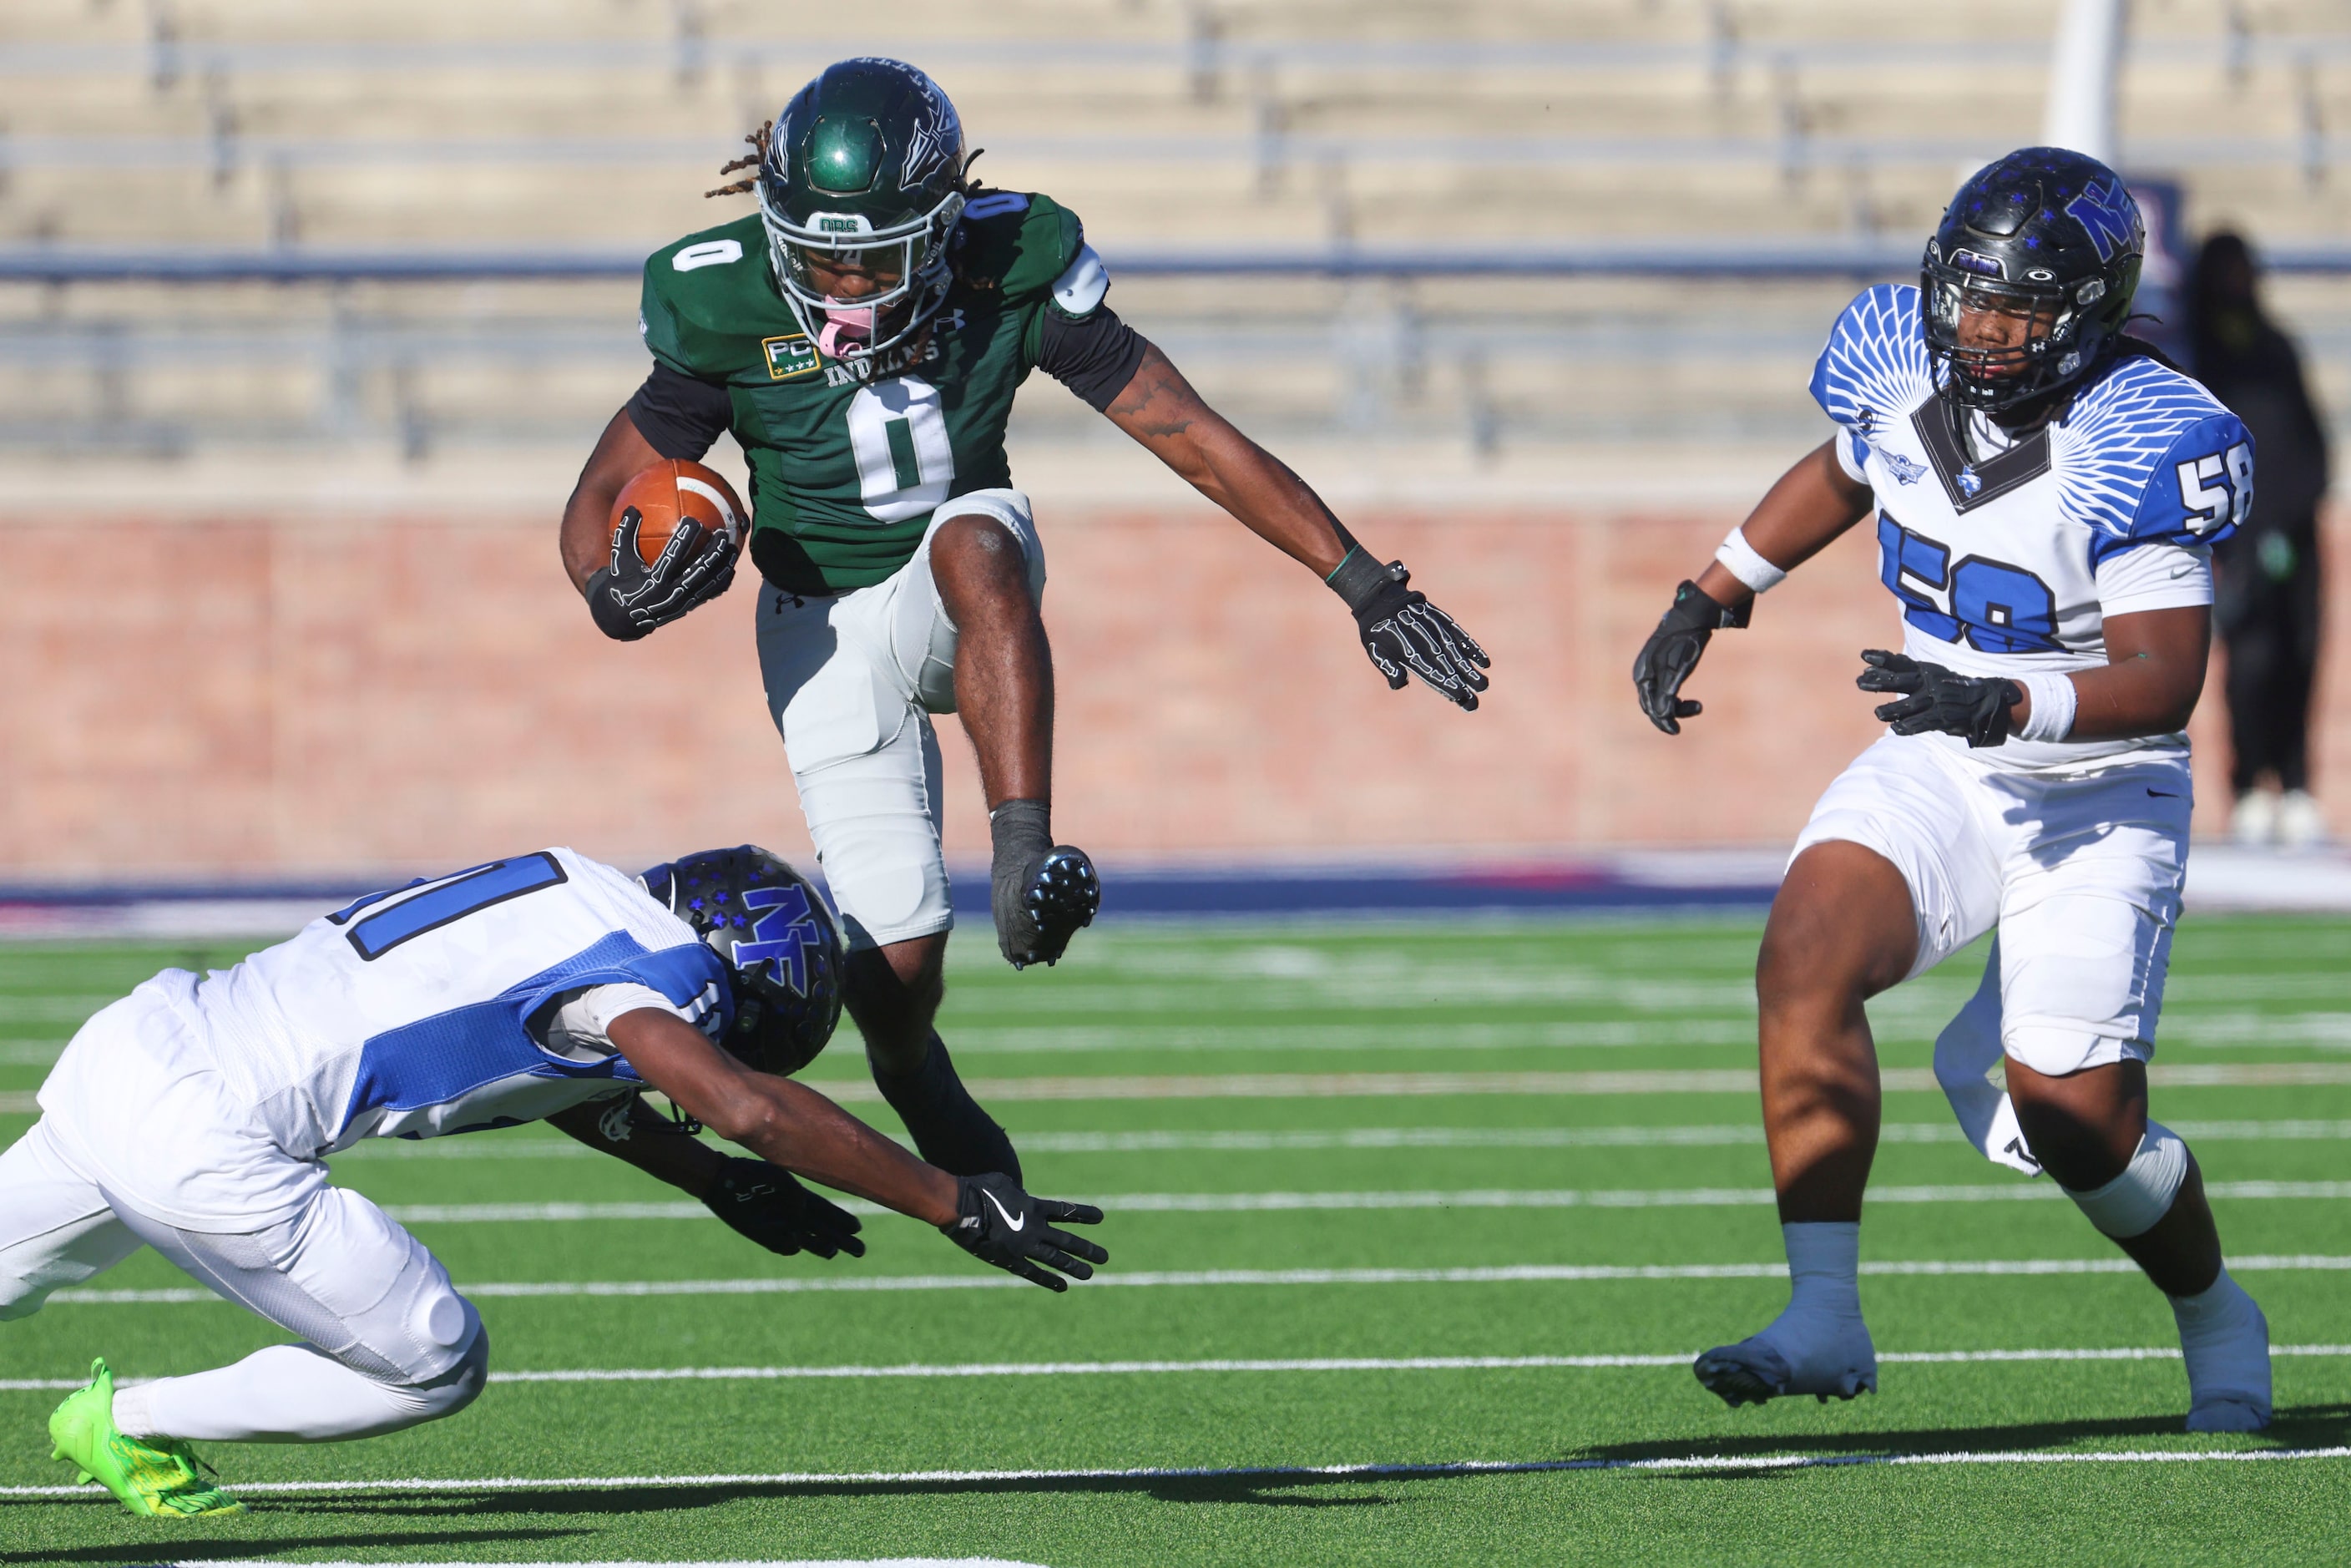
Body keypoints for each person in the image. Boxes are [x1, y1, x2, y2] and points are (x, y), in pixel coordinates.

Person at [557, 58, 1491, 1206]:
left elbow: (1188, 431)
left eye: (873, 252)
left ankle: (1022, 846)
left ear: (944, 225)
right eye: (818, 250)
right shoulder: (724, 297)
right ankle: (912, 1066)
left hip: (960, 589)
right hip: (818, 622)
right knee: (893, 962)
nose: (842, 278)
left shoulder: (1011, 264)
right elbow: (604, 491)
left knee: (976, 540)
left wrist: (1361, 580)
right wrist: (611, 594)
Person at [1632, 149, 2270, 1432]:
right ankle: (1823, 1312)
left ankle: (2213, 1304)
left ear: (2087, 310)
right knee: (1803, 953)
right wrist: (1716, 588)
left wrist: (2012, 698)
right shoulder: (1898, 362)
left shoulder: (2141, 432)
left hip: (2098, 784)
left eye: (2017, 306)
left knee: (2075, 1113)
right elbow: (1844, 467)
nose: (1981, 328)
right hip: (1946, 747)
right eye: (1969, 295)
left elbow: (2166, 678)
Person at [6, 845, 1105, 1517]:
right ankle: (136, 1418)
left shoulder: (576, 880)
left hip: (138, 1038)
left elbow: (565, 1064)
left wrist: (709, 1182)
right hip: (211, 1135)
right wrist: (951, 1202)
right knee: (434, 1358)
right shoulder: (647, 983)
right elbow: (747, 1104)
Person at [2192, 231, 2332, 848]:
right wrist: (2241, 532)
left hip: (2297, 537)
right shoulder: (2198, 357)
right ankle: (2248, 785)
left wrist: (2296, 515)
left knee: (2301, 656)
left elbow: (2308, 440)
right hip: (2238, 540)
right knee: (2250, 662)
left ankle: (2297, 784)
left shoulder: (2276, 346)